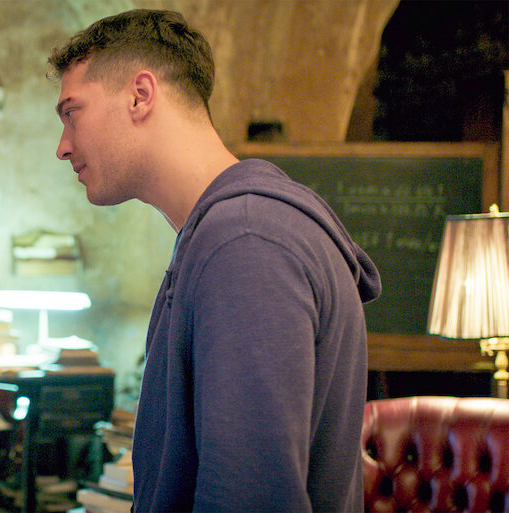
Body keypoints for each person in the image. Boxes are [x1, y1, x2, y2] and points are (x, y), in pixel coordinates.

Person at [49, 9, 381, 513]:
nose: (63, 146)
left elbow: (249, 496)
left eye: (72, 113)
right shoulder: (232, 233)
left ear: (140, 95)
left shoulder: (245, 243)